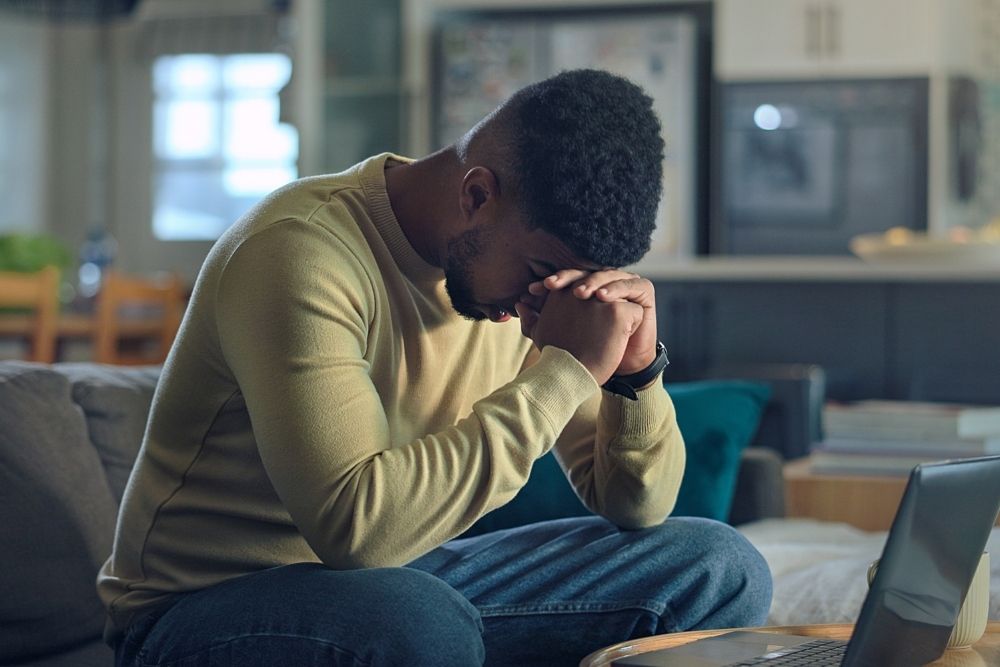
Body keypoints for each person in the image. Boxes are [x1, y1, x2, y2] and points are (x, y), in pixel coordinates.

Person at [99, 68, 771, 667]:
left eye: (576, 280)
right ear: (477, 195)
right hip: (199, 612)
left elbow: (637, 504)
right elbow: (356, 529)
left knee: (719, 565)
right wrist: (565, 367)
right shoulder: (300, 252)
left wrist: (635, 376)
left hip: (402, 580)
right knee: (415, 617)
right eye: (541, 271)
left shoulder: (524, 282)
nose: (547, 296)